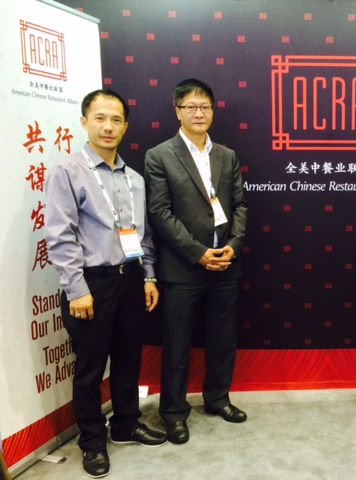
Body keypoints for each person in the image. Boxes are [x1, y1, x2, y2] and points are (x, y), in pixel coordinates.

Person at [45, 89, 167, 479]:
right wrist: (76, 289)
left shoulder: (134, 179)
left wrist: (148, 276)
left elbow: (142, 235)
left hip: (130, 279)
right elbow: (60, 236)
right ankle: (92, 441)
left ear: (125, 127)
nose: (108, 126)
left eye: (116, 120)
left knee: (129, 360)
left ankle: (126, 424)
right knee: (91, 368)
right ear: (85, 122)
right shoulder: (67, 172)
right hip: (91, 284)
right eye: (99, 118)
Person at [144, 78, 248, 444]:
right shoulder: (159, 155)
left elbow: (240, 205)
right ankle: (173, 412)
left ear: (213, 111)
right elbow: (159, 213)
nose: (199, 113)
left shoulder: (227, 156)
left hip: (225, 264)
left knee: (223, 338)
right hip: (183, 266)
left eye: (205, 106)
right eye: (190, 106)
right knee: (177, 344)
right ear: (177, 111)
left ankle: (218, 399)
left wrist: (233, 245)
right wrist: (198, 253)